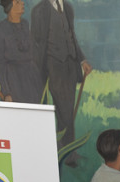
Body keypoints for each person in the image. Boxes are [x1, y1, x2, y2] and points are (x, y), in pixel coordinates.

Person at [30, 0, 92, 164]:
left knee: (67, 109)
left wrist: (82, 60)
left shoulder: (68, 8)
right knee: (64, 109)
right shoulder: (39, 11)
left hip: (70, 65)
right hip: (53, 65)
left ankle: (66, 150)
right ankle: (68, 154)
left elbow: (72, 37)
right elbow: (36, 44)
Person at [0, 0, 43, 104]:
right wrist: (6, 92)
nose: (23, 3)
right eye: (18, 2)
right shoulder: (0, 29)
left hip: (31, 80)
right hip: (14, 81)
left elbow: (33, 51)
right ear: (9, 7)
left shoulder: (25, 24)